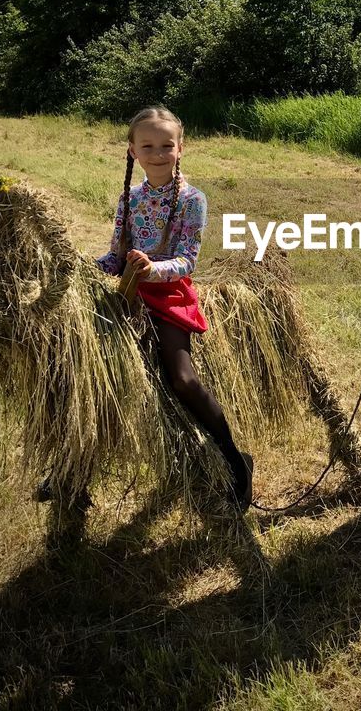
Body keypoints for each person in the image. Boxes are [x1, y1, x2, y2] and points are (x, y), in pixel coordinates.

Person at [92, 106, 253, 508]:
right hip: (128, 293)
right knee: (88, 367)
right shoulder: (129, 199)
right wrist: (83, 266)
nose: (158, 153)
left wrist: (152, 268)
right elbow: (114, 258)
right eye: (148, 145)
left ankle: (236, 461)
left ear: (181, 149)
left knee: (181, 378)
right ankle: (70, 471)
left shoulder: (191, 200)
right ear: (132, 150)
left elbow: (187, 260)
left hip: (168, 295)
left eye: (167, 145)